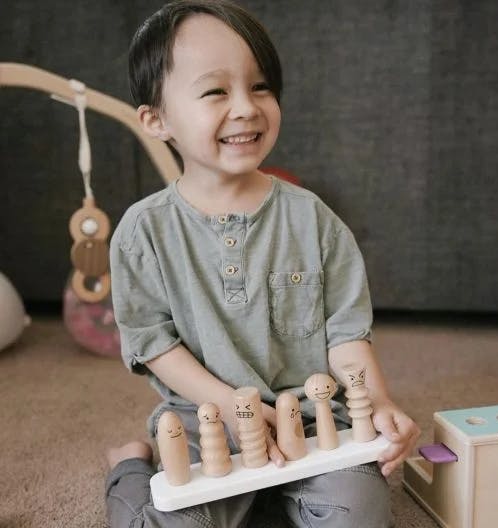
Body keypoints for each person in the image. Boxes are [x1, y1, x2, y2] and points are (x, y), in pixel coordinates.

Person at [106, 1, 420, 527]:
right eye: (215, 91)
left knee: (358, 519)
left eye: (260, 86)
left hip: (319, 419)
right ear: (156, 120)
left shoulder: (313, 218)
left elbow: (346, 332)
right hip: (208, 419)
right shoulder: (144, 231)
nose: (247, 108)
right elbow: (152, 341)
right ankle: (128, 465)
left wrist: (380, 400)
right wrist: (232, 406)